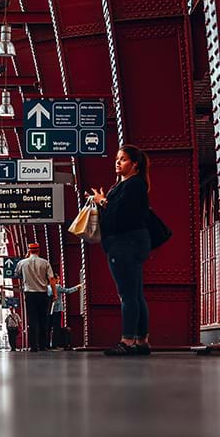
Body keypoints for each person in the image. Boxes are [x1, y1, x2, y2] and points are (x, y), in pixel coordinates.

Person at [89, 144, 151, 356]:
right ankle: (142, 340)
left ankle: (127, 340)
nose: (117, 162)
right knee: (135, 294)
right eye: (117, 158)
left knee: (127, 295)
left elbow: (121, 213)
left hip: (125, 243)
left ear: (135, 164)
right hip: (131, 242)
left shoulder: (133, 185)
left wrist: (102, 201)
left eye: (123, 159)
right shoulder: (126, 185)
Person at [15, 242, 53, 351]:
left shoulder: (22, 263)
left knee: (32, 320)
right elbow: (51, 279)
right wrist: (54, 293)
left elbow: (17, 274)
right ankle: (42, 345)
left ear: (29, 251)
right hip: (43, 294)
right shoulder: (45, 263)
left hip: (30, 294)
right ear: (39, 250)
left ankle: (33, 346)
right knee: (43, 320)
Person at [48, 276, 82, 350]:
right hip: (57, 310)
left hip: (49, 311)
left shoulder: (47, 287)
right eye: (58, 278)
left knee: (48, 328)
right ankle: (54, 345)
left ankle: (47, 345)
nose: (59, 280)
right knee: (56, 328)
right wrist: (77, 287)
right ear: (55, 279)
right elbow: (68, 291)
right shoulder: (57, 286)